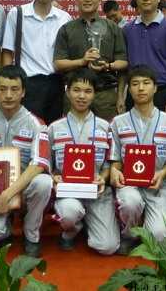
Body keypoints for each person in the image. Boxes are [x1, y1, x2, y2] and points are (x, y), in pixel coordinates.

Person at [0, 65, 52, 257]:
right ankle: (5, 228)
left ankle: (31, 233)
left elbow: (38, 164)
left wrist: (7, 195)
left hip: (23, 189)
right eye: (2, 89)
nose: (8, 95)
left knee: (44, 182)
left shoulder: (37, 124)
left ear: (23, 92)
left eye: (14, 89)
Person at [47, 68, 119, 255]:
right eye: (76, 90)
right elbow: (47, 165)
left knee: (108, 247)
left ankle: (90, 222)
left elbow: (110, 164)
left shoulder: (106, 127)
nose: (81, 96)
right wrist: (54, 177)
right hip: (67, 192)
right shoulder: (53, 128)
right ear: (67, 91)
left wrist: (103, 177)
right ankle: (72, 230)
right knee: (70, 212)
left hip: (97, 192)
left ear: (94, 94)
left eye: (88, 91)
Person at [109, 65, 166, 253]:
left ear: (155, 88)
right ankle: (129, 234)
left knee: (159, 238)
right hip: (129, 183)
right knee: (131, 202)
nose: (141, 88)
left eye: (146, 83)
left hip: (158, 184)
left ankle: (149, 224)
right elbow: (115, 159)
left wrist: (163, 173)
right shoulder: (118, 122)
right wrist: (114, 170)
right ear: (129, 89)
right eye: (135, 84)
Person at [1, 0, 72, 124]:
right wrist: (7, 82)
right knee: (26, 128)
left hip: (55, 83)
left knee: (53, 128)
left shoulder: (64, 18)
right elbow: (7, 51)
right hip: (28, 82)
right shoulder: (17, 14)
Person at [54, 0, 128, 121]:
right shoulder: (66, 29)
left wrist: (108, 66)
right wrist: (82, 61)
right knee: (74, 133)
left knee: (105, 133)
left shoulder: (112, 28)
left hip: (105, 96)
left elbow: (123, 62)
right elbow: (58, 64)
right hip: (75, 95)